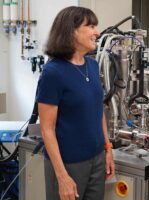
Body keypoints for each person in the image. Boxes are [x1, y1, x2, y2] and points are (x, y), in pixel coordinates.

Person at [37, 6, 115, 200]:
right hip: (69, 164)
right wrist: (62, 177)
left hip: (97, 159)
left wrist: (107, 149)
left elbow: (98, 111)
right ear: (71, 31)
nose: (97, 32)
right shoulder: (53, 73)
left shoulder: (92, 65)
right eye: (91, 26)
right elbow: (47, 129)